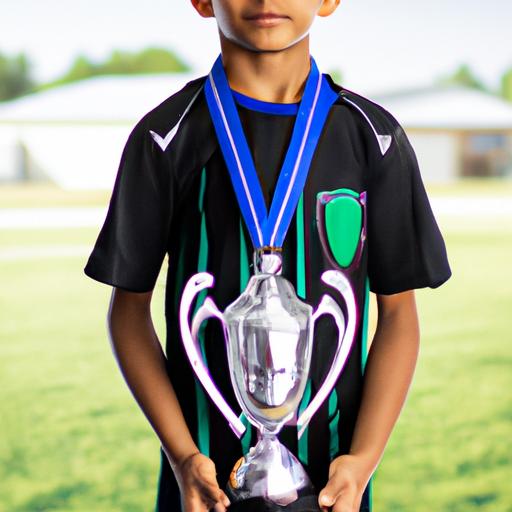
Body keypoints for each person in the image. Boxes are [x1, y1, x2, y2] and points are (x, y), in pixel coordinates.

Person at [84, 1, 452, 511]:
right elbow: (128, 312)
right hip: (203, 491)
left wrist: (363, 458)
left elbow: (397, 313)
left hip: (333, 492)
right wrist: (184, 457)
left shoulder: (375, 137)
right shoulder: (164, 137)